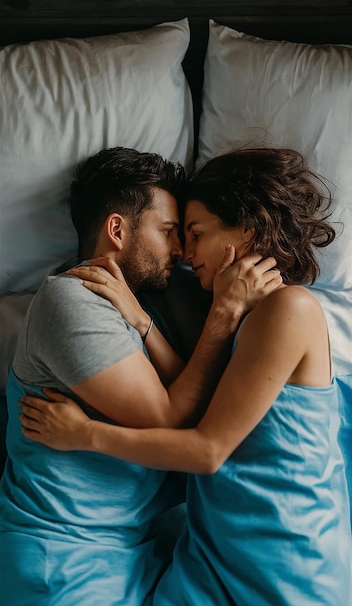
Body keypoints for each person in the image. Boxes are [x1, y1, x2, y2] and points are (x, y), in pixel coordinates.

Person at [21, 147, 352, 605]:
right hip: (213, 553)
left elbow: (205, 445)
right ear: (117, 228)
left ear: (248, 231)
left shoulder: (288, 309)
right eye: (175, 233)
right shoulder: (241, 321)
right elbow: (193, 399)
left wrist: (84, 434)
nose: (183, 253)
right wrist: (143, 321)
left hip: (278, 555)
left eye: (194, 234)